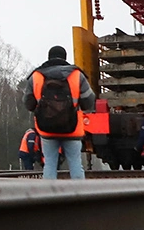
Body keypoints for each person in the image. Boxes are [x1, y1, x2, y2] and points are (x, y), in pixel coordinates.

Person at [24, 45, 95, 180]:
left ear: (49, 57)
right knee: (75, 164)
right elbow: (89, 101)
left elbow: (28, 103)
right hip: (72, 128)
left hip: (46, 128)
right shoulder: (77, 75)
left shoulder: (36, 76)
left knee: (49, 164)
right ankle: (80, 197)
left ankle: (49, 198)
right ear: (65, 57)